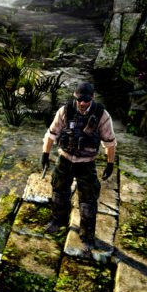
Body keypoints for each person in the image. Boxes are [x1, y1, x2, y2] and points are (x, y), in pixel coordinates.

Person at [40, 82, 116, 248]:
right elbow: (52, 134)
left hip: (86, 164)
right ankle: (58, 220)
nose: (82, 103)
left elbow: (110, 142)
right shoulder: (65, 111)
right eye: (79, 99)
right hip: (65, 159)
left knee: (88, 200)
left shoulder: (102, 115)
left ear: (92, 98)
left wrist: (110, 163)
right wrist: (45, 154)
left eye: (86, 100)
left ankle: (87, 234)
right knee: (59, 191)